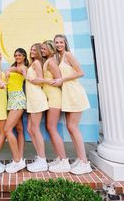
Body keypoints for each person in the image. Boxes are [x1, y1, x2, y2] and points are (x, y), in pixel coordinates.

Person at [53, 34, 92, 175]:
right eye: (56, 42)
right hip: (67, 95)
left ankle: (84, 163)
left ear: (65, 43)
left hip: (74, 92)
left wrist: (63, 79)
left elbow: (80, 72)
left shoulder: (68, 55)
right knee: (70, 127)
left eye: (61, 42)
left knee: (73, 127)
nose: (58, 45)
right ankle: (80, 158)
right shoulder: (58, 58)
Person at [40, 40, 71, 172]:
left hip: (54, 98)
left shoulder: (51, 62)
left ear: (51, 50)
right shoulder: (49, 60)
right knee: (50, 127)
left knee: (51, 127)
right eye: (41, 49)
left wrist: (46, 82)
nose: (42, 51)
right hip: (50, 98)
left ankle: (64, 161)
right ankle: (59, 157)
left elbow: (59, 81)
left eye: (44, 49)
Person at [4, 48, 28, 173]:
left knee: (7, 129)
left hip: (18, 98)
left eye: (19, 55)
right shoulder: (12, 67)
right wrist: (9, 70)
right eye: (15, 55)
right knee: (18, 129)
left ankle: (17, 160)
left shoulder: (24, 67)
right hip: (11, 99)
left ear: (24, 57)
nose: (17, 57)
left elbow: (23, 73)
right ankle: (19, 158)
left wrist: (9, 70)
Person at [25, 43, 49, 172]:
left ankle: (42, 159)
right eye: (31, 49)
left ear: (39, 51)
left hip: (36, 98)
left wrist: (29, 78)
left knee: (35, 128)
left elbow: (40, 80)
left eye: (35, 49)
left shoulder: (37, 63)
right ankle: (40, 157)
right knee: (29, 129)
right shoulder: (33, 63)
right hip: (32, 99)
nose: (32, 51)